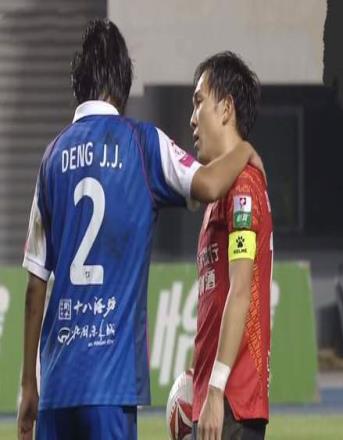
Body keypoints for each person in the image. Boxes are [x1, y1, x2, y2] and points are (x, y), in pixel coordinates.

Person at [17, 20, 264, 440]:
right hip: (111, 384)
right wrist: (244, 149)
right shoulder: (143, 143)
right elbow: (208, 184)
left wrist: (28, 386)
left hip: (56, 385)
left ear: (78, 82)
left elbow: (34, 288)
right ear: (123, 82)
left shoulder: (52, 158)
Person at [190, 52, 273, 440]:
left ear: (225, 109)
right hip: (218, 401)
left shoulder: (243, 188)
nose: (192, 119)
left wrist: (216, 389)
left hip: (232, 407)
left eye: (198, 102)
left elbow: (241, 290)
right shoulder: (220, 190)